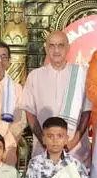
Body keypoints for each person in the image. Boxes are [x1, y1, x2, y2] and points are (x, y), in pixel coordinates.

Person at [20, 30, 92, 160]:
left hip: (75, 151)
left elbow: (86, 112)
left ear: (68, 48)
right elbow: (30, 113)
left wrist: (72, 143)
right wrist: (45, 141)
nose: (56, 50)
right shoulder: (35, 76)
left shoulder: (82, 74)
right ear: (46, 48)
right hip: (43, 151)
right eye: (52, 46)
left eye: (60, 45)